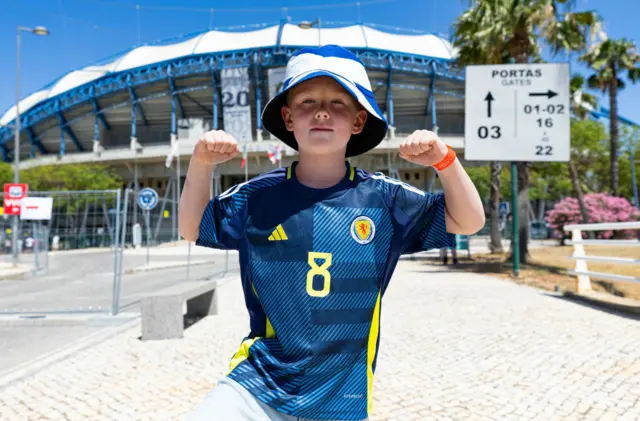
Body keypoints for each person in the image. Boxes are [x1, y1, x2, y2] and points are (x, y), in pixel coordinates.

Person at [180, 45, 485, 421]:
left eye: (338, 103)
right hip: (258, 383)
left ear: (359, 121)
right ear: (288, 118)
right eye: (307, 101)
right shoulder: (257, 197)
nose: (322, 111)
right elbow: (191, 227)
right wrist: (201, 164)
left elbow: (468, 221)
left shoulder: (385, 199)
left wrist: (445, 161)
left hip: (342, 397)